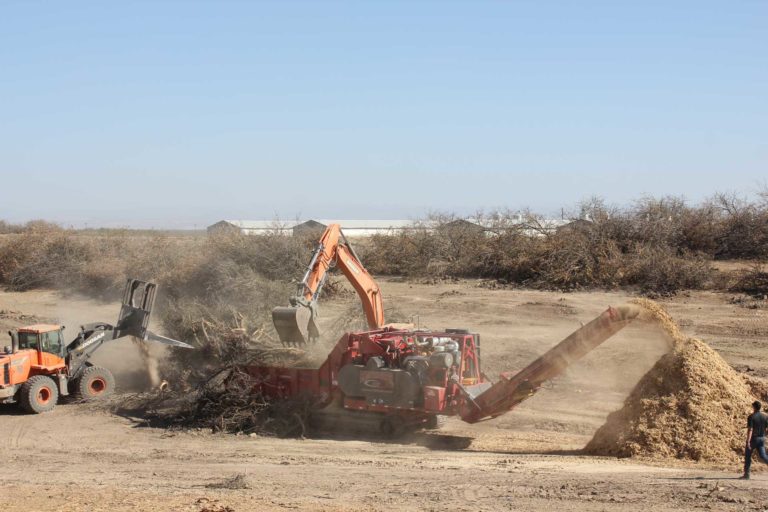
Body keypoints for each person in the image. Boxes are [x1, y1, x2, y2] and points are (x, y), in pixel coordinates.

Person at [743, 400, 768, 479]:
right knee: (763, 455)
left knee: (748, 455)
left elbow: (750, 429)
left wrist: (748, 441)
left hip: (753, 438)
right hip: (762, 438)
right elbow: (767, 429)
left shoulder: (751, 417)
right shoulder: (765, 417)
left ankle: (747, 474)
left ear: (754, 407)